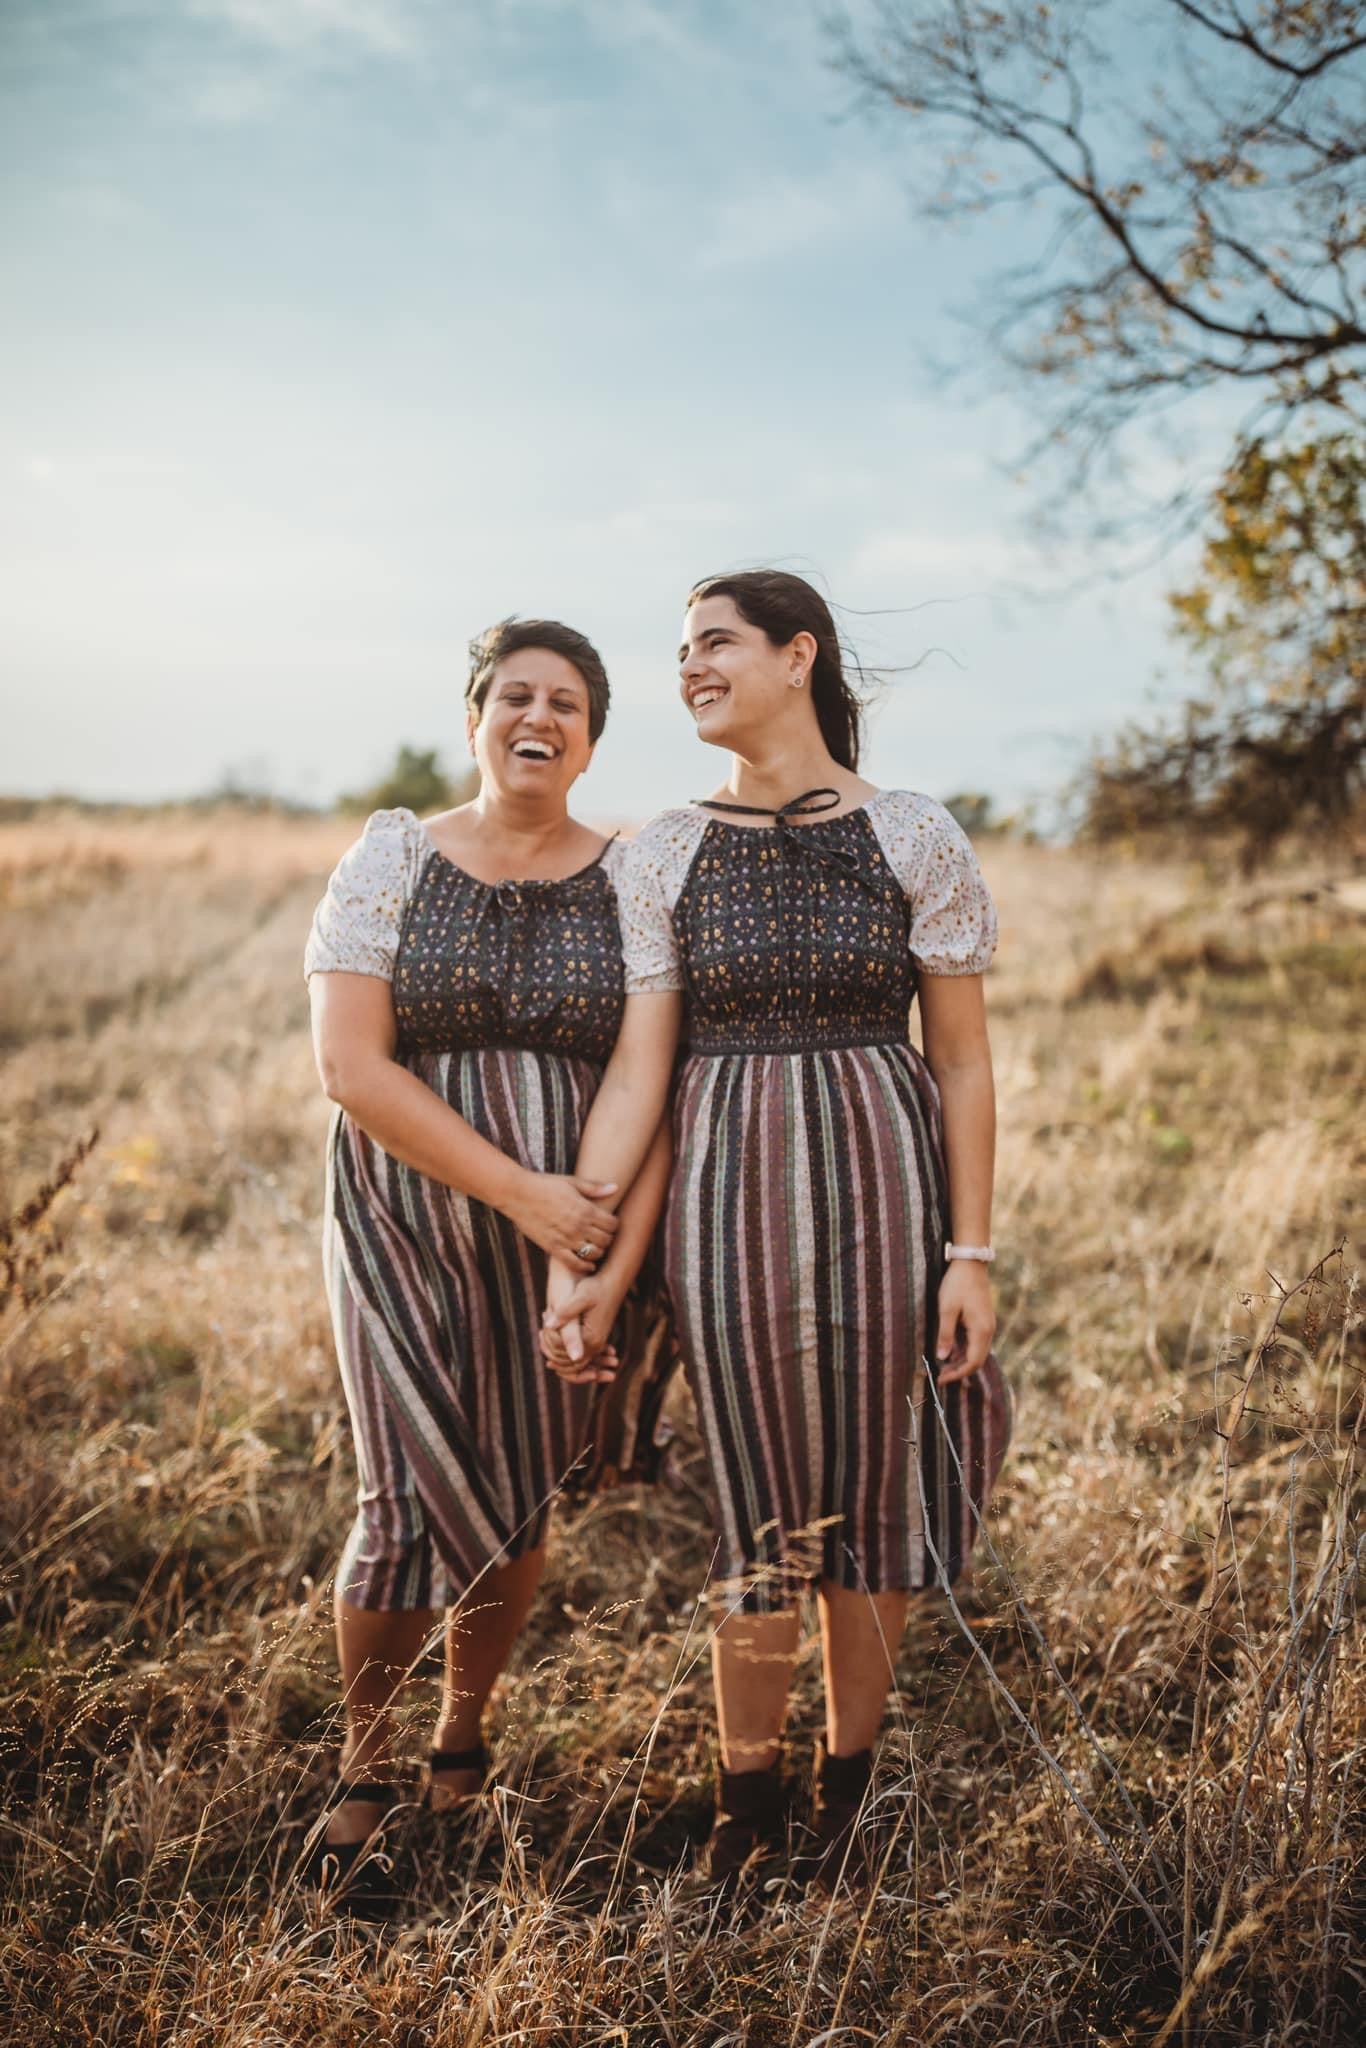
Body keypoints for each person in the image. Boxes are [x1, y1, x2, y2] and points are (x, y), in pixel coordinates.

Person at [542, 569, 1009, 1891]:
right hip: (726, 1189)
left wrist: (969, 1253)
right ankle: (746, 1801)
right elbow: (642, 1069)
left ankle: (846, 1789)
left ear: (796, 655)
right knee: (754, 1494)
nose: (688, 667)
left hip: (885, 1177)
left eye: (713, 644)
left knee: (874, 1486)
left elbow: (963, 1063)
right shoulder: (661, 849)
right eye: (679, 650)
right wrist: (578, 1245)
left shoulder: (914, 832)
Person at [304, 616, 671, 1899]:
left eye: (568, 701)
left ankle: (463, 1727)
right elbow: (351, 1065)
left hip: (565, 1232)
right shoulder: (395, 854)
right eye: (516, 693)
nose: (541, 715)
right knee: (400, 1493)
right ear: (476, 717)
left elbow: (650, 1068)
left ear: (590, 735)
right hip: (407, 1210)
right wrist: (521, 1192)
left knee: (518, 1491)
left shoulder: (633, 877)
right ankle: (367, 1761)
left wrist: (584, 1235)